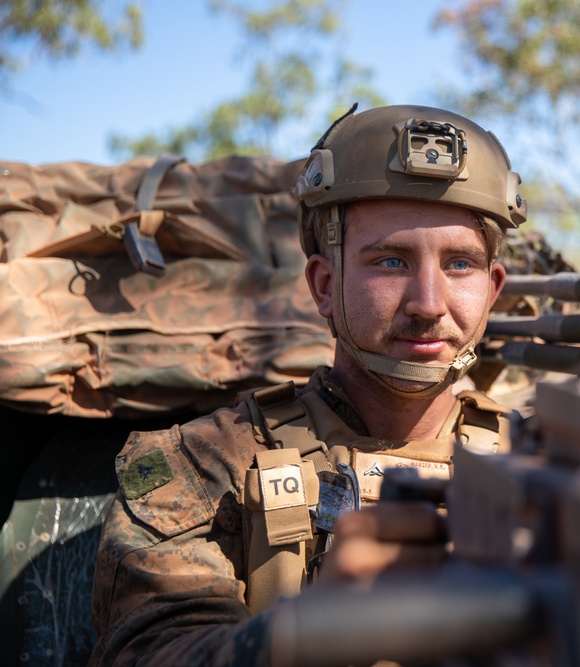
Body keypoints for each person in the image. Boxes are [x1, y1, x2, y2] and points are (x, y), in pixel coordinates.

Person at [88, 103, 528, 666]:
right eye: (390, 262)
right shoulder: (205, 467)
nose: (428, 303)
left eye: (460, 264)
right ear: (324, 284)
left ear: (493, 290)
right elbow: (150, 649)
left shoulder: (544, 467)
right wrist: (306, 637)